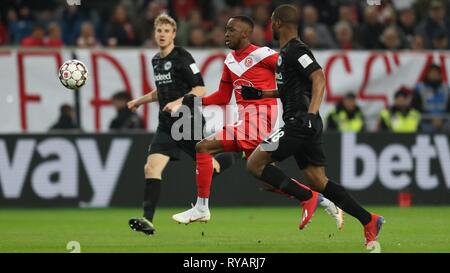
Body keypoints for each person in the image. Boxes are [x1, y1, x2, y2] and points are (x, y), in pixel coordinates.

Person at [173, 15, 344, 230]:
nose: (226, 34)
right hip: (247, 121)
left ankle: (201, 207)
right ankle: (320, 200)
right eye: (225, 29)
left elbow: (297, 74)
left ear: (245, 34)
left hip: (260, 121)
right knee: (266, 180)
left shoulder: (264, 55)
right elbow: (223, 97)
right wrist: (196, 102)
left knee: (203, 147)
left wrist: (302, 98)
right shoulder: (230, 61)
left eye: (231, 30)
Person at [243, 5, 384, 246]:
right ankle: (368, 219)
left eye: (270, 23)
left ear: (277, 23)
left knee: (255, 164)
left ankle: (307, 198)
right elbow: (289, 89)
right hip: (302, 121)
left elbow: (318, 76)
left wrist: (310, 113)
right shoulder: (286, 53)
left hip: (299, 121)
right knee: (318, 179)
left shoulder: (296, 49)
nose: (269, 26)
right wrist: (260, 93)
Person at [127, 14, 233, 236]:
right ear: (154, 34)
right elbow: (161, 91)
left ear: (174, 34)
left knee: (209, 165)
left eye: (167, 31)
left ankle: (233, 154)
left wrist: (177, 102)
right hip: (166, 124)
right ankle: (147, 220)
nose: (162, 35)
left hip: (188, 120)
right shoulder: (156, 60)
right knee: (151, 167)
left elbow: (200, 89)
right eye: (159, 31)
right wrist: (139, 101)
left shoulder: (183, 56)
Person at [412, 64, 450, 132]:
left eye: (437, 73)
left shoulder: (446, 89)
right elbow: (416, 107)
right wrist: (431, 119)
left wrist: (442, 119)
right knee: (424, 128)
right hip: (426, 120)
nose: (434, 75)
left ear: (440, 75)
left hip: (444, 121)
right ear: (428, 74)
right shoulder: (420, 88)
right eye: (432, 73)